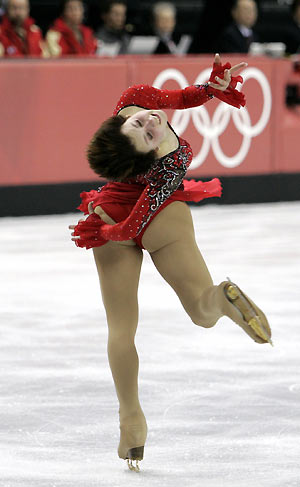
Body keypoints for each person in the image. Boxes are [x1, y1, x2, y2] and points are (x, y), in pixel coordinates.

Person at [69, 54, 272, 472]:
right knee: (200, 309)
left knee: (121, 328)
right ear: (143, 158)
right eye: (143, 132)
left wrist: (211, 89)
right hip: (149, 213)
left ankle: (132, 424)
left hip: (121, 212)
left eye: (138, 122)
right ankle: (219, 300)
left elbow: (177, 98)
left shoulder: (136, 100)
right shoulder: (173, 160)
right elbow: (134, 222)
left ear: (118, 118)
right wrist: (110, 230)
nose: (149, 123)